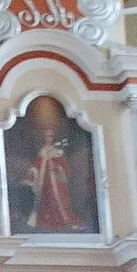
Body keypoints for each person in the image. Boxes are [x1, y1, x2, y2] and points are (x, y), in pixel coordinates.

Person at [19, 96, 83, 233]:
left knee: (61, 204)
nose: (48, 139)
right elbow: (35, 167)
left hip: (58, 184)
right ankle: (47, 224)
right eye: (47, 137)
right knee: (46, 205)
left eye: (50, 137)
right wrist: (31, 174)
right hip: (46, 185)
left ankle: (65, 222)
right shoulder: (42, 153)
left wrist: (58, 169)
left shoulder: (57, 153)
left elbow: (65, 169)